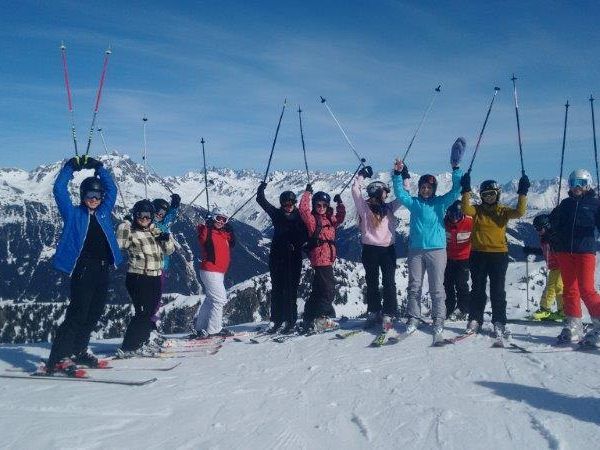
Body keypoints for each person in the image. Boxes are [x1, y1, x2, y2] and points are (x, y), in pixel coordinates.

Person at [46, 156, 122, 375]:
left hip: (103, 268)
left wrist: (100, 169)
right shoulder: (73, 214)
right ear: (83, 196)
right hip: (83, 268)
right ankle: (60, 357)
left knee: (94, 312)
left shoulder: (104, 212)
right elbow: (59, 190)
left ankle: (79, 350)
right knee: (78, 313)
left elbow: (113, 190)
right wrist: (70, 167)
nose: (94, 199)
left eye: (97, 195)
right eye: (89, 195)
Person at [392, 150, 462, 344]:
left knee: (436, 288)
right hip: (415, 250)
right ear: (419, 188)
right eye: (423, 187)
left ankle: (438, 320)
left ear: (434, 189)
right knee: (414, 287)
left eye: (429, 188)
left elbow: (456, 191)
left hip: (437, 251)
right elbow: (399, 193)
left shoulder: (440, 203)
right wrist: (397, 174)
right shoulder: (414, 203)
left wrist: (456, 169)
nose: (425, 190)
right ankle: (413, 317)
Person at [461, 171, 529, 338]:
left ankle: (499, 321)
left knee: (497, 290)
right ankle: (475, 319)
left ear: (497, 194)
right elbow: (465, 208)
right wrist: (465, 190)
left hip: (498, 255)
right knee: (477, 289)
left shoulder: (503, 211)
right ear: (481, 196)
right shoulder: (476, 210)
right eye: (485, 195)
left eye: (492, 194)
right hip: (478, 254)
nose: (489, 197)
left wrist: (522, 193)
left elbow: (520, 212)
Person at [116, 199, 175, 357]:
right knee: (142, 313)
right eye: (140, 215)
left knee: (148, 313)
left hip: (155, 276)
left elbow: (169, 251)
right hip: (138, 277)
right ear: (135, 215)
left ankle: (141, 341)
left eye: (147, 215)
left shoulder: (154, 231)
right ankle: (129, 346)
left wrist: (165, 238)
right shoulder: (131, 231)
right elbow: (120, 244)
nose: (144, 218)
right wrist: (125, 223)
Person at [549, 169, 600, 346]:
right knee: (570, 289)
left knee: (587, 289)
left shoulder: (595, 203)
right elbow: (554, 223)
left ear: (588, 184)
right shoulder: (565, 204)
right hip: (565, 251)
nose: (577, 187)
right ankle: (574, 324)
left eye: (581, 183)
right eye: (573, 183)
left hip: (585, 251)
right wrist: (550, 229)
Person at [351, 165, 401, 331]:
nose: (387, 194)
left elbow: (403, 195)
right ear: (380, 192)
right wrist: (361, 175)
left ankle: (387, 313)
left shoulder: (389, 208)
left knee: (387, 282)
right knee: (374, 282)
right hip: (375, 250)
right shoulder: (364, 208)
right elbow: (355, 189)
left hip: (385, 250)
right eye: (385, 191)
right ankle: (375, 312)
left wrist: (402, 175)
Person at [256, 182, 307, 334]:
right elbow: (262, 202)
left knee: (291, 289)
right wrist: (260, 190)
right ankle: (276, 320)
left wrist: (296, 244)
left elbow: (305, 234)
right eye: (285, 203)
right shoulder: (277, 214)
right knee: (277, 289)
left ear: (294, 203)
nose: (288, 206)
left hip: (293, 257)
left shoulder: (301, 217)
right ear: (282, 204)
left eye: (291, 203)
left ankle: (290, 320)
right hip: (277, 257)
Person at [298, 185, 346, 333]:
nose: (321, 207)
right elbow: (303, 210)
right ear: (315, 205)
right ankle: (321, 319)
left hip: (327, 258)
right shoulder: (313, 220)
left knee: (318, 290)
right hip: (320, 258)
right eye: (318, 204)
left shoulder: (329, 219)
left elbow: (340, 218)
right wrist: (307, 193)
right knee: (328, 290)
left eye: (324, 205)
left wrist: (340, 204)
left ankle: (308, 317)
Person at [193, 207, 236, 338]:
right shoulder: (208, 231)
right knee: (220, 299)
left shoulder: (222, 233)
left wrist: (230, 231)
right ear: (213, 217)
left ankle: (201, 327)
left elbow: (232, 243)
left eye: (224, 219)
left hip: (218, 272)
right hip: (210, 270)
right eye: (218, 218)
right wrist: (207, 225)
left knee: (211, 299)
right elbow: (202, 238)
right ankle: (214, 330)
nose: (221, 221)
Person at [522, 214, 564, 322]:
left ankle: (550, 310)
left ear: (547, 226)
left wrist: (552, 238)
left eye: (540, 228)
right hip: (554, 267)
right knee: (554, 287)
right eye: (536, 228)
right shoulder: (544, 238)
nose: (538, 231)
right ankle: (560, 311)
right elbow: (545, 251)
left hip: (561, 266)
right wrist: (532, 250)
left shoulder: (553, 236)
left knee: (556, 287)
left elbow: (560, 248)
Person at [149, 194, 181, 328]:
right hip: (150, 266)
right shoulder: (149, 223)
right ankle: (148, 324)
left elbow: (170, 215)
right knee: (151, 297)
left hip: (162, 266)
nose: (160, 214)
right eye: (157, 211)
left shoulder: (163, 222)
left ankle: (152, 323)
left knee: (156, 297)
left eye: (163, 213)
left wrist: (174, 205)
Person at [444, 200, 473, 320]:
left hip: (464, 258)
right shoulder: (444, 222)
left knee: (461, 283)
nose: (455, 218)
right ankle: (449, 307)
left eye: (457, 215)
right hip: (448, 258)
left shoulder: (469, 222)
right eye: (452, 215)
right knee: (447, 283)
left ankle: (463, 308)